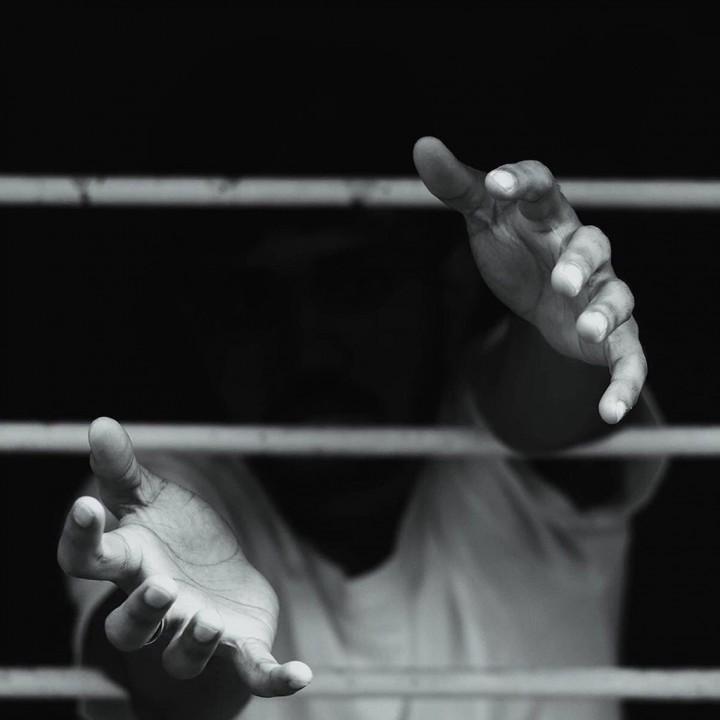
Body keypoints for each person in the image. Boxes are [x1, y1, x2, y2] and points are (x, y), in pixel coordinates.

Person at [57, 136, 665, 720]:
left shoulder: (507, 460)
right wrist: (194, 639)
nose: (309, 348)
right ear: (199, 331)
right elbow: (167, 689)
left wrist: (566, 312)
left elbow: (553, 404)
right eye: (251, 303)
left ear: (450, 294)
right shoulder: (159, 493)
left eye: (354, 286)